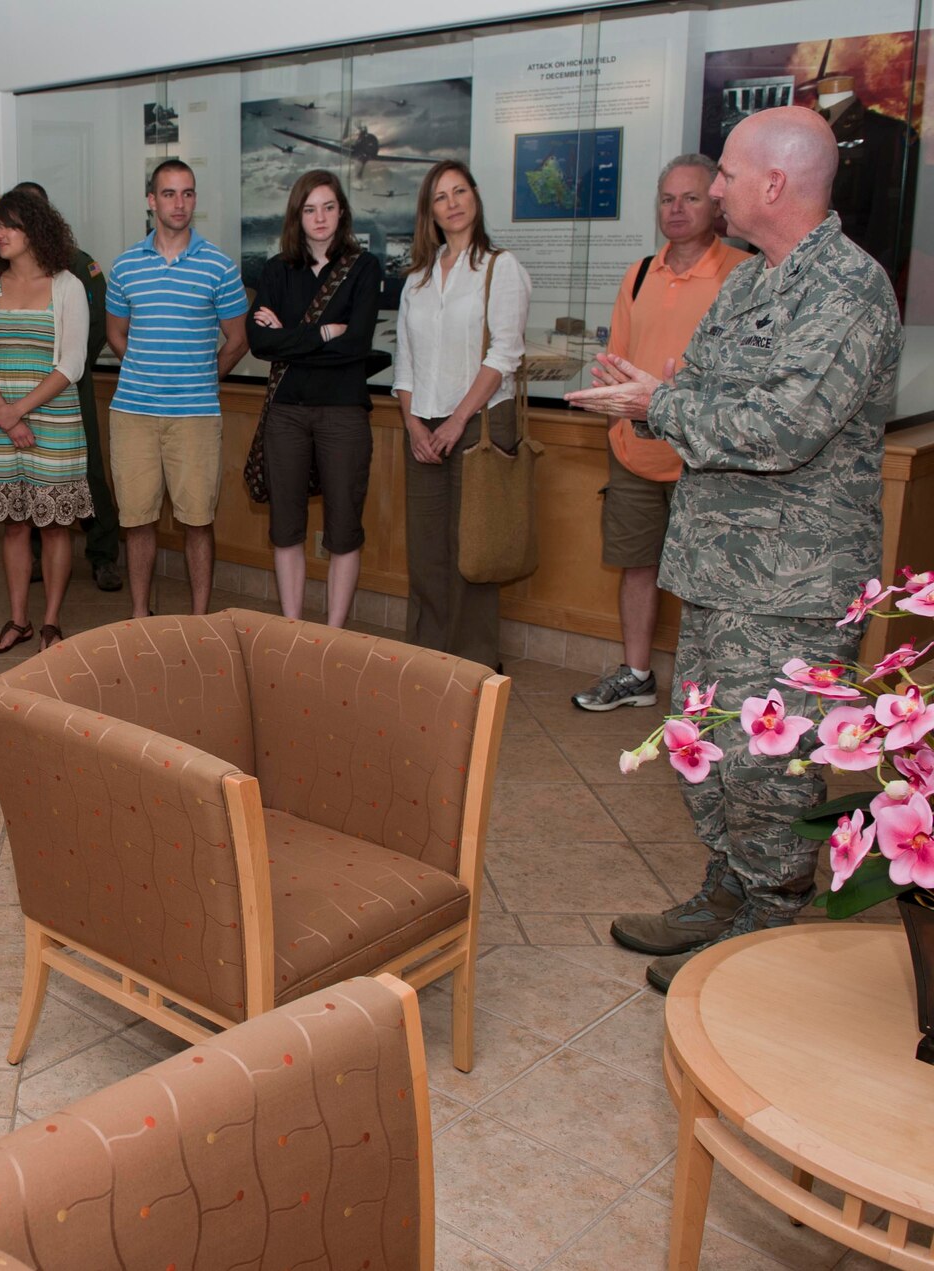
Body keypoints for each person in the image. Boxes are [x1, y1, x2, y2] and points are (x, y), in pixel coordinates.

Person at [566, 107, 902, 992]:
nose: (713, 190)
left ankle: (766, 926)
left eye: (723, 175)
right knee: (704, 746)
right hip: (716, 571)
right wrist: (653, 392)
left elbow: (784, 427)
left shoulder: (848, 289)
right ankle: (726, 891)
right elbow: (707, 391)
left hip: (791, 583)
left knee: (767, 765)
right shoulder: (751, 284)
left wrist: (656, 405)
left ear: (774, 184)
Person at [572, 155, 745, 712]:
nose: (676, 209)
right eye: (667, 199)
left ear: (716, 204)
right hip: (636, 453)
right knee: (636, 564)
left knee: (709, 582)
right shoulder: (640, 273)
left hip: (707, 459)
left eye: (691, 198)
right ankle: (638, 674)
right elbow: (616, 362)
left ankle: (709, 697)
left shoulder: (744, 273)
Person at [392, 160, 532, 671]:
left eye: (459, 191)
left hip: (479, 427)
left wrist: (455, 422)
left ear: (475, 196)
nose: (452, 203)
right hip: (421, 425)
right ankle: (429, 658)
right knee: (426, 551)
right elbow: (405, 361)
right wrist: (413, 424)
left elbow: (504, 357)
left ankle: (473, 665)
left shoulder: (500, 268)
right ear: (428, 212)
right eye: (440, 196)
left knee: (472, 553)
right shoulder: (418, 280)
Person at [104, 158, 249, 617]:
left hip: (195, 416)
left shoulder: (219, 267)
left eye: (187, 193)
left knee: (197, 522)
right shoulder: (125, 266)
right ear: (151, 201)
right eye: (169, 193)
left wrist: (203, 377)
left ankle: (201, 619)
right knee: (137, 521)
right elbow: (115, 334)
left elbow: (238, 338)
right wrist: (147, 368)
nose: (179, 203)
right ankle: (140, 615)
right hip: (133, 414)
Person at [246, 169, 382, 628]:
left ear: (341, 211)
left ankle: (334, 632)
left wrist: (290, 336)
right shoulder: (276, 270)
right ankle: (292, 627)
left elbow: (358, 344)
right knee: (286, 527)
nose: (319, 217)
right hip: (286, 413)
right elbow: (260, 344)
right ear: (297, 216)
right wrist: (324, 333)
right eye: (309, 209)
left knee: (343, 530)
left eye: (328, 207)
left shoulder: (364, 268)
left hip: (344, 413)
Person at [0, 189, 92, 653]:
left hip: (53, 424)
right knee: (15, 524)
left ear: (35, 230)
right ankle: (18, 620)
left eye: (10, 226)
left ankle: (52, 622)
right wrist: (4, 414)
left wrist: (17, 412)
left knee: (55, 524)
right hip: (1, 425)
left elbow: (72, 363)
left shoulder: (67, 285)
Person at [11, 180, 120, 592]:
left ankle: (103, 555)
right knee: (30, 470)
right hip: (21, 386)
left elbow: (99, 325)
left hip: (71, 382)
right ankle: (38, 556)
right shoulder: (5, 267)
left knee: (87, 468)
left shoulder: (78, 263)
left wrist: (70, 366)